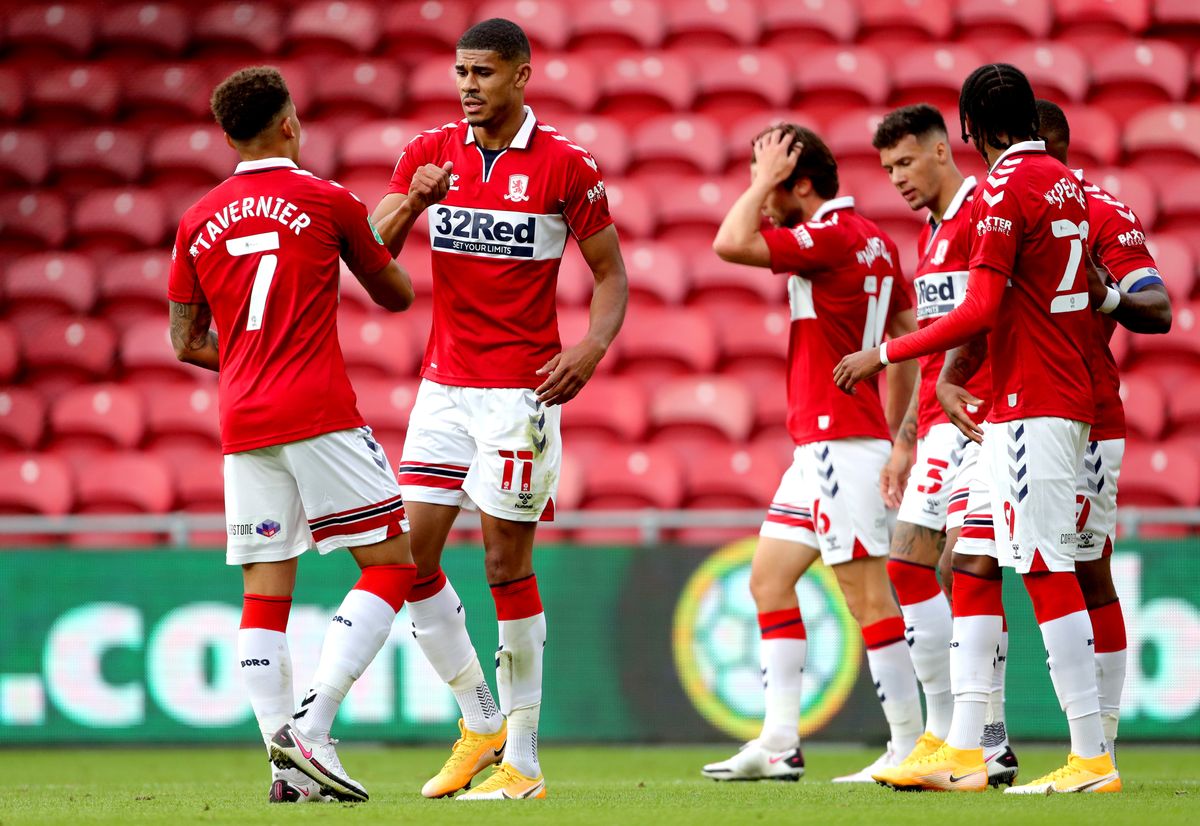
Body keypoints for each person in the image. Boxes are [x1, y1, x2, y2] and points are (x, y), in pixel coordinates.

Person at [834, 64, 1121, 794]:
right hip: (1029, 403)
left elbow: (981, 308)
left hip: (1032, 400)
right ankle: (971, 746)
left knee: (1047, 569)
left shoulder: (1001, 189)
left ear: (970, 131)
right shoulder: (1067, 184)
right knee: (974, 563)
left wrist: (886, 352)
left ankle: (1091, 757)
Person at [369, 18, 628, 801]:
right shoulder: (428, 154)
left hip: (520, 393)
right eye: (460, 73)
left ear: (521, 76)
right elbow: (371, 251)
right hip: (443, 389)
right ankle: (478, 717)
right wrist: (413, 203)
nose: (468, 86)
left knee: (503, 565)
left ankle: (524, 760)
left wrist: (589, 349)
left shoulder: (565, 166)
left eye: (483, 73)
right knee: (405, 559)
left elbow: (612, 275)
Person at [168, 67, 418, 804]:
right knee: (393, 563)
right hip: (317, 411)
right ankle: (314, 725)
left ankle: (285, 771)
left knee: (264, 593)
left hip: (242, 419)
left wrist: (247, 359)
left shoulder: (196, 217)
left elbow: (185, 340)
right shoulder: (326, 198)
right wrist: (404, 213)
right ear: (288, 124)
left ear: (227, 136)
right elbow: (395, 295)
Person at [701, 123, 924, 784]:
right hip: (830, 445)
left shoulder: (828, 238)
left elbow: (728, 242)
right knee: (768, 579)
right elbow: (907, 337)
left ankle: (910, 746)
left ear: (800, 182)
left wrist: (759, 183)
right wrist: (897, 436)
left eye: (771, 179)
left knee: (866, 597)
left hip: (837, 442)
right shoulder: (877, 241)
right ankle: (778, 742)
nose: (762, 195)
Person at [870, 104, 1019, 785]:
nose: (896, 178)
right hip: (934, 422)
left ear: (940, 152)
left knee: (969, 568)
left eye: (904, 162)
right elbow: (936, 347)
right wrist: (905, 439)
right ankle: (941, 731)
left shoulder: (983, 211)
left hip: (983, 419)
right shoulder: (929, 234)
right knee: (905, 566)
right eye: (886, 168)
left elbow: (988, 319)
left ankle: (988, 738)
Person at [1036, 98, 1172, 764]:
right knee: (967, 560)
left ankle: (1101, 743)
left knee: (1085, 566)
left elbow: (1159, 308)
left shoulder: (1101, 211)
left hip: (1085, 415)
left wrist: (1108, 296)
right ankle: (978, 737)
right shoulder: (991, 206)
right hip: (1006, 416)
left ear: (1051, 142)